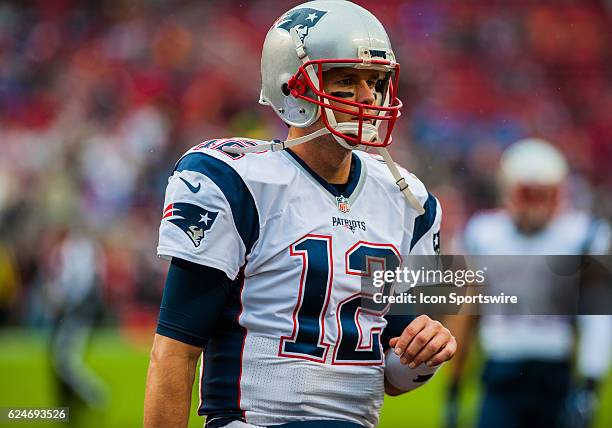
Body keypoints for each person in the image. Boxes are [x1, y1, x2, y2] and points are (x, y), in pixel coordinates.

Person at [144, 2, 456, 428]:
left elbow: (393, 374)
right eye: (348, 80)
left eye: (376, 81)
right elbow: (175, 350)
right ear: (293, 86)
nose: (368, 96)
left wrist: (423, 353)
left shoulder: (408, 201)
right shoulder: (238, 181)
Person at [446, 138, 612, 428]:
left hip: (556, 373)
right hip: (500, 369)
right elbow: (466, 312)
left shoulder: (582, 236)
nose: (535, 205)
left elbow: (595, 315)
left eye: (543, 194)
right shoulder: (482, 235)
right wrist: (454, 385)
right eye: (527, 194)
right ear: (508, 190)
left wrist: (590, 382)